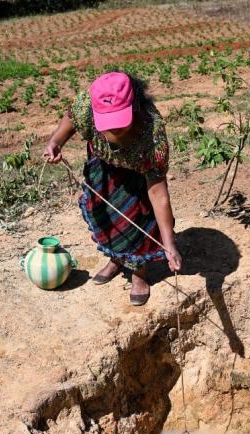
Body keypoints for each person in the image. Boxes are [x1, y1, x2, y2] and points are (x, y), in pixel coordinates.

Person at [44, 72, 181, 306]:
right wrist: (56, 141)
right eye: (107, 123)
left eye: (120, 122)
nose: (113, 131)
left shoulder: (152, 134)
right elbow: (71, 118)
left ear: (134, 105)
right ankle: (116, 259)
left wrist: (169, 245)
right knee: (105, 216)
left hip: (137, 173)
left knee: (136, 216)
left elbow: (158, 194)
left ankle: (139, 274)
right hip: (102, 165)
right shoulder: (86, 105)